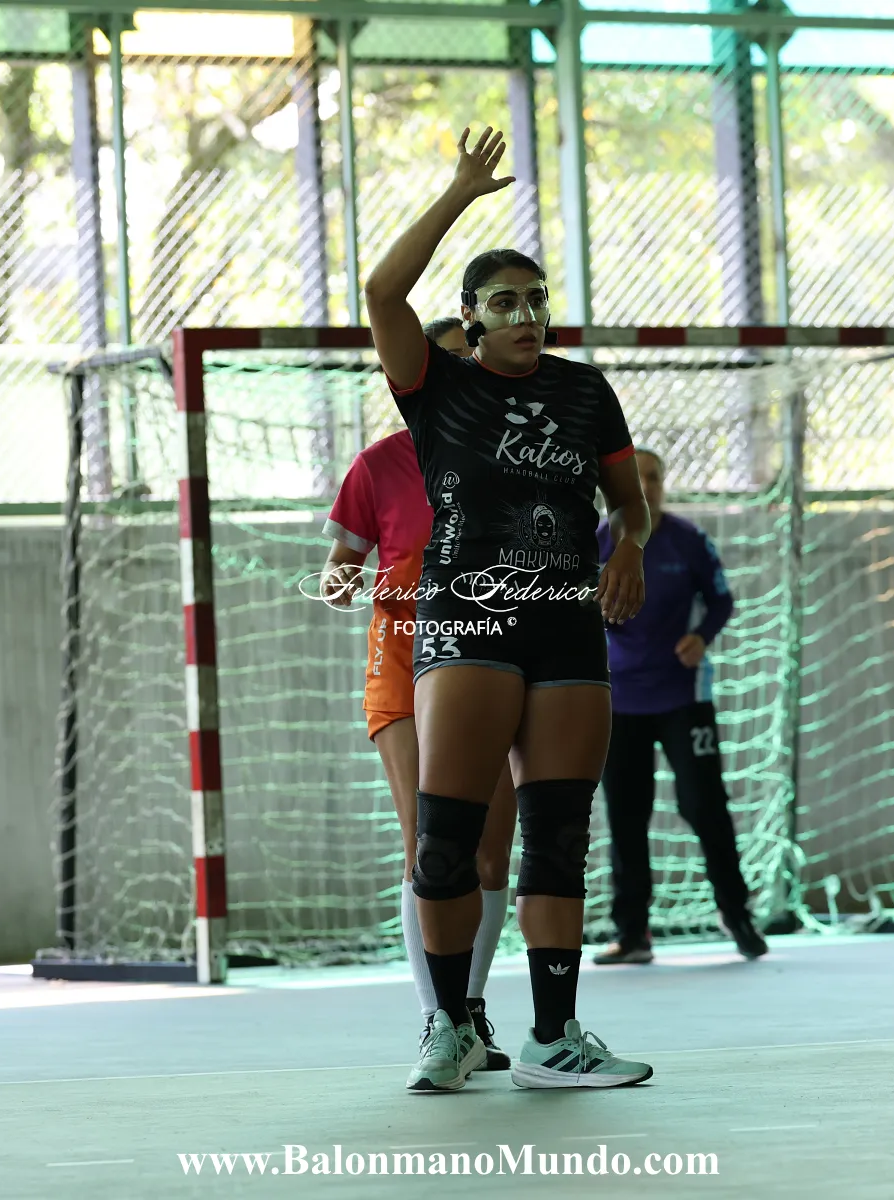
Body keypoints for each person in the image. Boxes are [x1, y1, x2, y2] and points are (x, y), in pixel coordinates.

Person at [362, 125, 655, 1091]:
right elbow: (381, 293)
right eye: (505, 302)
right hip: (468, 623)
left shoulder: (585, 391)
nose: (527, 315)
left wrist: (631, 546)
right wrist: (458, 193)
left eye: (537, 299)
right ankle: (449, 1027)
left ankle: (554, 1039)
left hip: (565, 621)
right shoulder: (437, 387)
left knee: (560, 836)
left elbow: (629, 501)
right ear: (472, 318)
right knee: (447, 840)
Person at [320, 316, 518, 1082]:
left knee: (491, 852)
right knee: (430, 846)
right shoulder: (379, 465)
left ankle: (470, 1008)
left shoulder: (522, 460)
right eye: (448, 367)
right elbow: (343, 561)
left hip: (494, 656)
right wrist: (342, 580)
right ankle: (442, 1019)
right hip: (405, 663)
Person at [594, 448, 768, 966]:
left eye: (654, 477)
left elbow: (721, 600)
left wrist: (702, 636)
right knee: (626, 813)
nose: (646, 486)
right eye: (636, 478)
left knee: (704, 805)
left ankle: (737, 914)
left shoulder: (689, 541)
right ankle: (632, 933)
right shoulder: (594, 543)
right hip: (618, 699)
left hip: (682, 698)